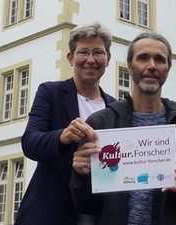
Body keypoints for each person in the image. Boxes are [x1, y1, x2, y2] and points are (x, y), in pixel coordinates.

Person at [69, 32, 176, 225]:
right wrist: (81, 175)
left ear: (168, 68)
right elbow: (85, 205)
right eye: (143, 58)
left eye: (160, 60)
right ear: (130, 65)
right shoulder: (100, 124)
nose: (152, 66)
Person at [15, 22, 116, 225]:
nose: (90, 60)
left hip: (99, 212)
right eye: (83, 52)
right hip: (51, 210)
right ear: (71, 58)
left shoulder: (114, 107)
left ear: (108, 59)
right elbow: (30, 142)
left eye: (97, 52)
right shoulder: (50, 93)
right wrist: (62, 136)